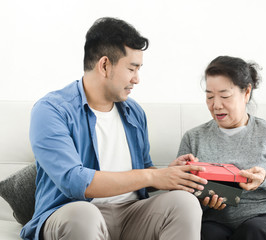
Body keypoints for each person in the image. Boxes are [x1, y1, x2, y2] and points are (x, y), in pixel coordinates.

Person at [21, 17, 208, 240]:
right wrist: (152, 175)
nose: (137, 79)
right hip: (72, 213)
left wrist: (168, 175)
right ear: (105, 65)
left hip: (131, 213)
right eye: (132, 68)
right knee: (84, 214)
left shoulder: (134, 112)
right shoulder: (52, 110)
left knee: (184, 203)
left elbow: (143, 173)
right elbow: (74, 181)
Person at [177, 56, 266, 240]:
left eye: (225, 96)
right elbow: (180, 199)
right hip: (218, 223)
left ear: (246, 93)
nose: (216, 105)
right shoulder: (193, 138)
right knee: (204, 233)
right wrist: (203, 201)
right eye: (209, 96)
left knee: (253, 231)